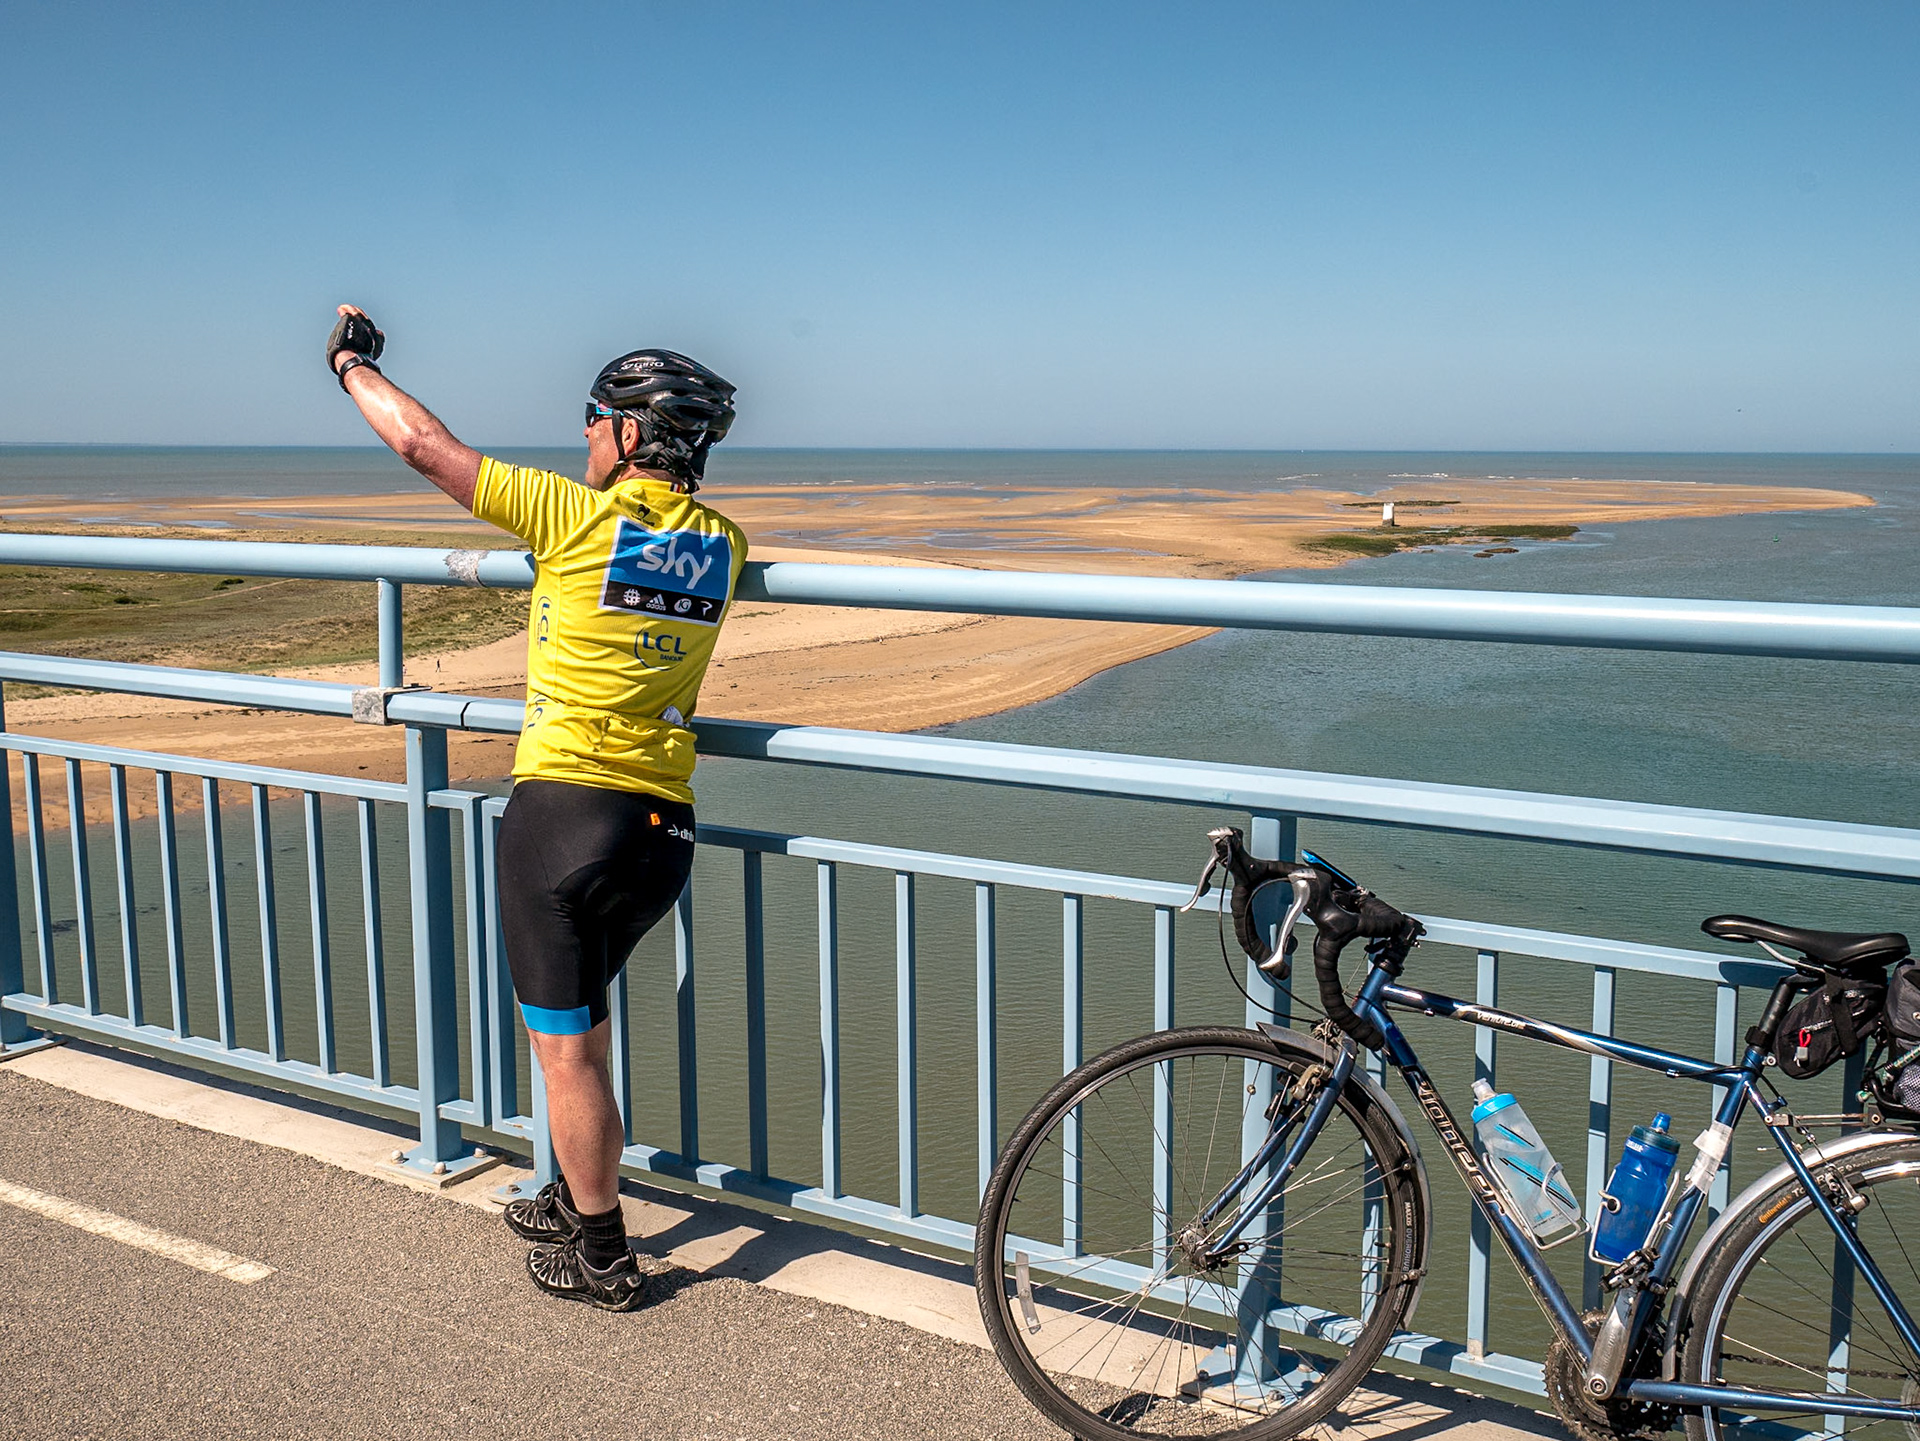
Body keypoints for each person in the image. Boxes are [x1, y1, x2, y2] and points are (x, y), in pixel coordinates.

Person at [325, 305, 747, 1310]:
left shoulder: (577, 516)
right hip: (661, 830)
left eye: (596, 420)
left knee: (564, 1048)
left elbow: (424, 445)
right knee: (586, 1030)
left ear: (632, 435)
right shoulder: (725, 544)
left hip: (562, 816)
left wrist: (348, 366)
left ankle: (601, 1256)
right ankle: (568, 1194)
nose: (586, 437)